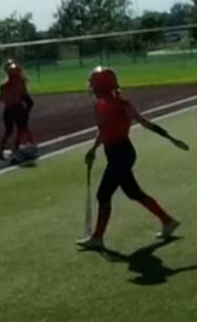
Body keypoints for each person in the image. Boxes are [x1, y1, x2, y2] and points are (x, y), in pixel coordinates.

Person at [78, 66, 188, 251]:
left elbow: (143, 122)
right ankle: (168, 221)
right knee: (133, 192)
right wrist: (93, 149)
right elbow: (104, 131)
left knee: (103, 194)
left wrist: (170, 138)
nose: (93, 90)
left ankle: (97, 237)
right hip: (114, 153)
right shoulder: (99, 105)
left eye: (95, 86)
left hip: (123, 153)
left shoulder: (122, 104)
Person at [0, 59, 38, 161]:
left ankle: (6, 150)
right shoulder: (18, 82)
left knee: (13, 130)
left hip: (11, 109)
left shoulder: (5, 85)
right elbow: (24, 96)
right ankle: (18, 147)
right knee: (20, 128)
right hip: (16, 108)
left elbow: (1, 98)